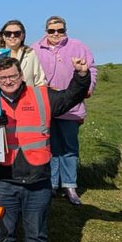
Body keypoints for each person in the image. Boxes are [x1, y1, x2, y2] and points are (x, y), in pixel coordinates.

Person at [0, 53, 92, 242]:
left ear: (21, 75)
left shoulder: (41, 95)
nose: (8, 81)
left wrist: (81, 75)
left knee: (37, 235)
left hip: (38, 179)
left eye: (13, 76)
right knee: (6, 235)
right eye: (3, 78)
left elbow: (71, 96)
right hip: (3, 179)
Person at [34, 16, 97, 205]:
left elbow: (91, 69)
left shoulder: (78, 46)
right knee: (50, 147)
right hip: (46, 105)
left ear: (65, 30)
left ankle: (70, 185)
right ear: (46, 31)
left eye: (60, 30)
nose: (56, 34)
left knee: (69, 147)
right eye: (52, 31)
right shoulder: (34, 48)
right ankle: (52, 185)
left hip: (71, 105)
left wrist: (87, 89)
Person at [0, 19, 47, 88]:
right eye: (8, 33)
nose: (12, 36)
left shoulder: (30, 54)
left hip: (27, 96)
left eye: (17, 33)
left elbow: (40, 82)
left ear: (22, 36)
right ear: (3, 36)